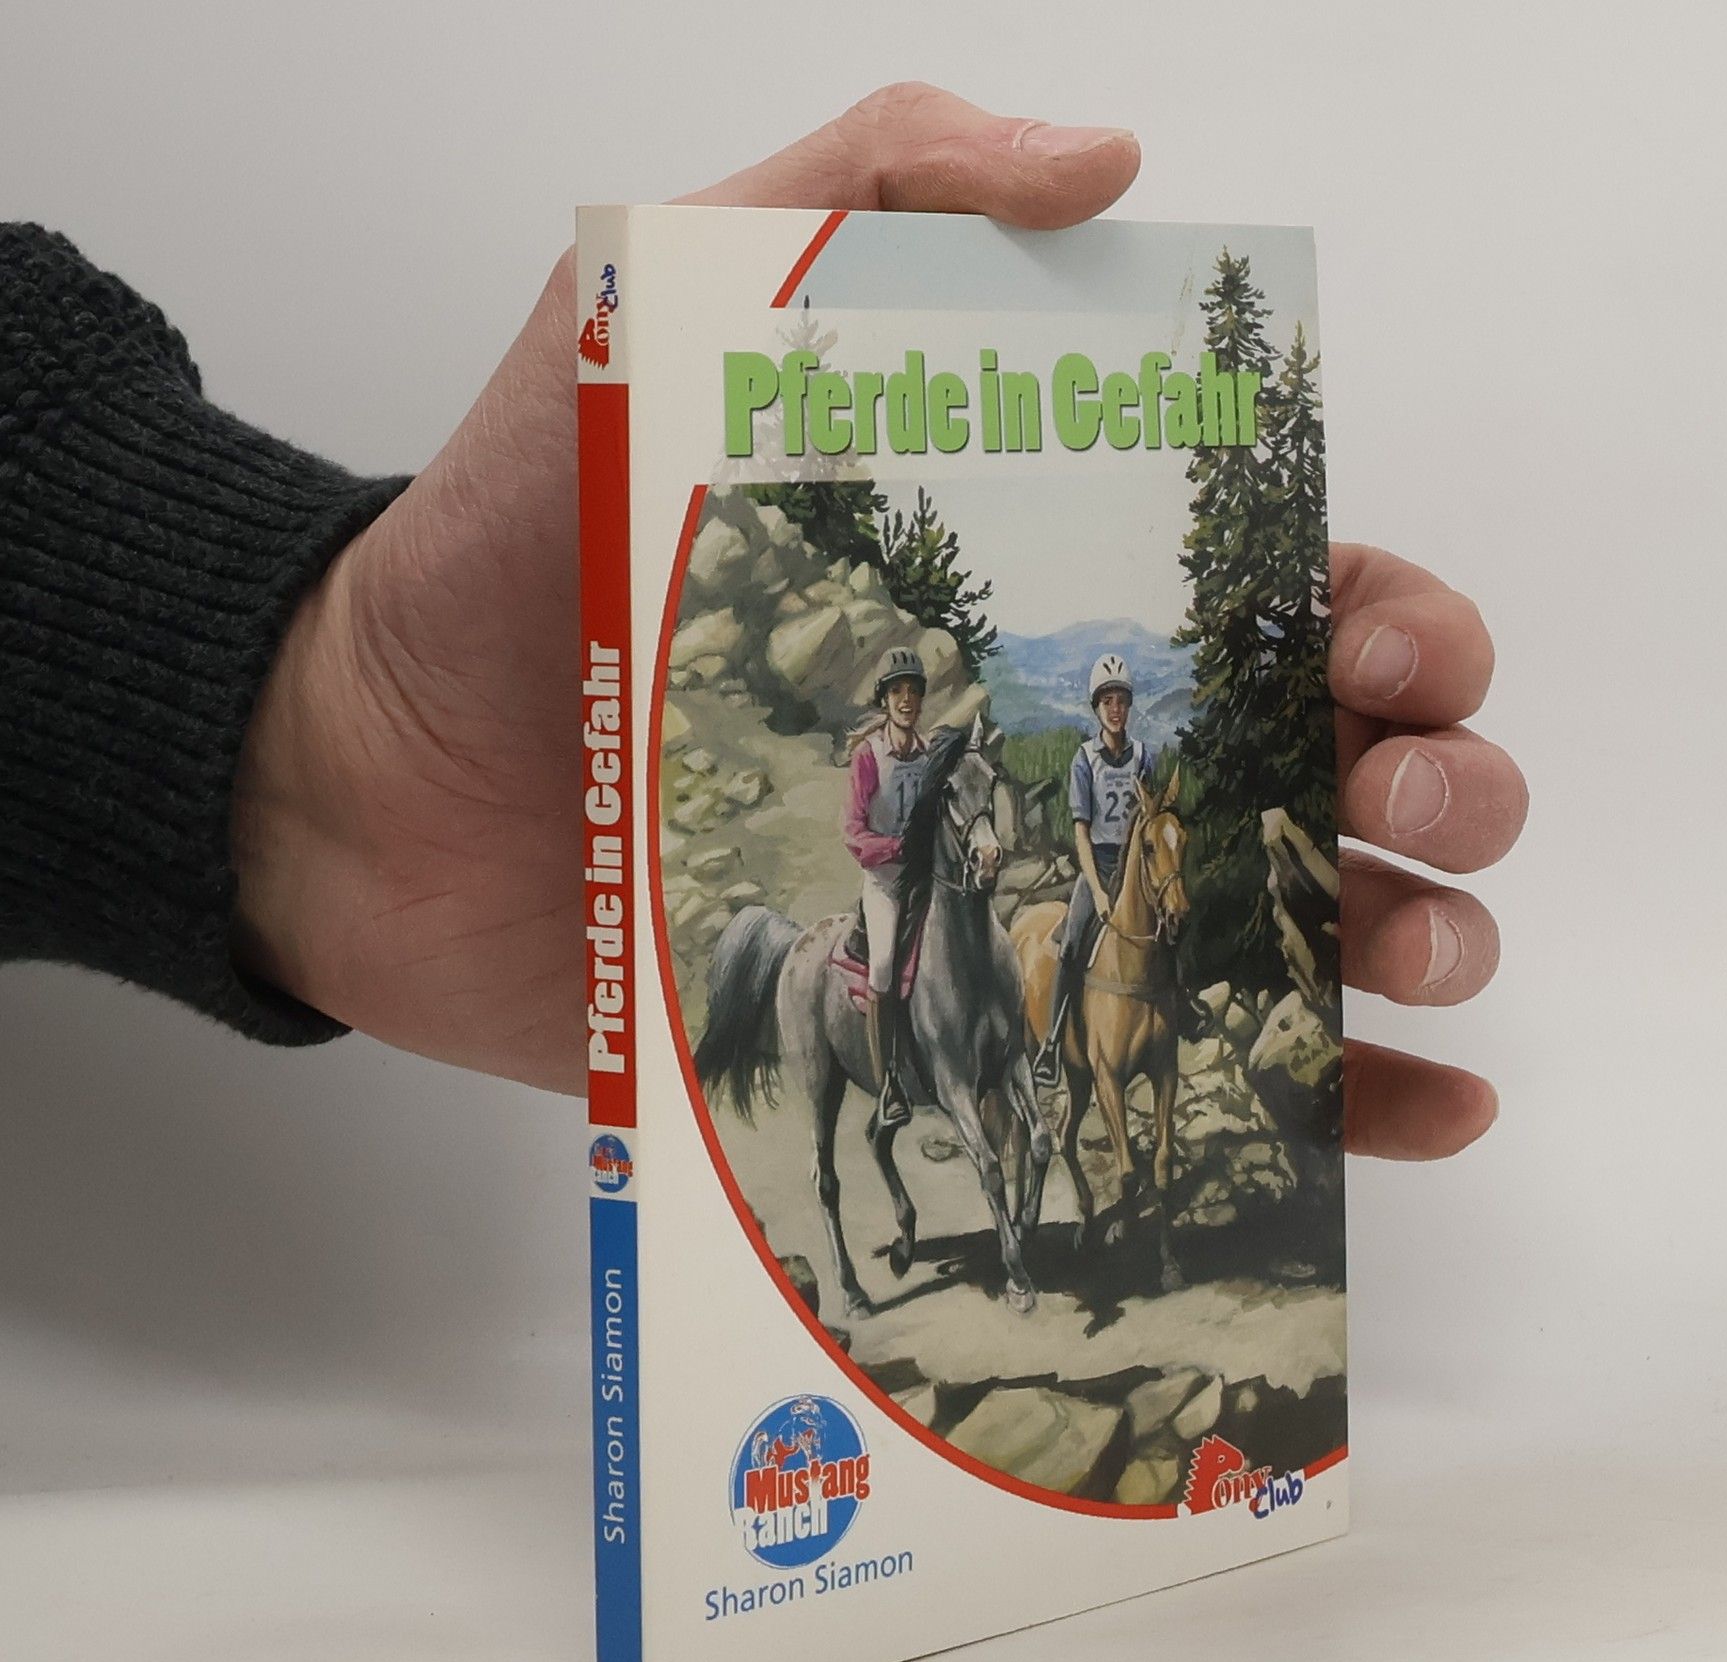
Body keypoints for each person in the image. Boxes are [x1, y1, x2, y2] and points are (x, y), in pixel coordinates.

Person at [0, 83, 1528, 1162]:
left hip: (1062, 865)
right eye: (909, 702)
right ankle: (918, 1077)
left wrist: (323, 705)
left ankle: (1066, 1072)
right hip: (902, 881)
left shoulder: (1072, 757)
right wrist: (931, 852)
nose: (917, 714)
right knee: (925, 947)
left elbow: (1043, 812)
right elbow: (910, 829)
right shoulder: (893, 759)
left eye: (1119, 709)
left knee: (1091, 943)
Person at [1033, 653, 1153, 1087]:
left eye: (1121, 701)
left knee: (1169, 924)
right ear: (1096, 708)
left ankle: (1184, 1007)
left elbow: (1150, 820)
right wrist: (1099, 893)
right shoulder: (1085, 760)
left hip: (1135, 867)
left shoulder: (1144, 756)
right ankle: (1052, 1043)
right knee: (1071, 944)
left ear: (1129, 705)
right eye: (1107, 702)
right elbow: (1081, 833)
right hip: (1098, 866)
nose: (1115, 709)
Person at [843, 646, 931, 1129]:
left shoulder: (930, 752)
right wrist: (896, 847)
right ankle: (888, 1084)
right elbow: (853, 833)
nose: (906, 699)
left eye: (913, 691)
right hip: (885, 883)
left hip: (928, 878)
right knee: (881, 966)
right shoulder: (868, 757)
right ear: (884, 700)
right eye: (897, 691)